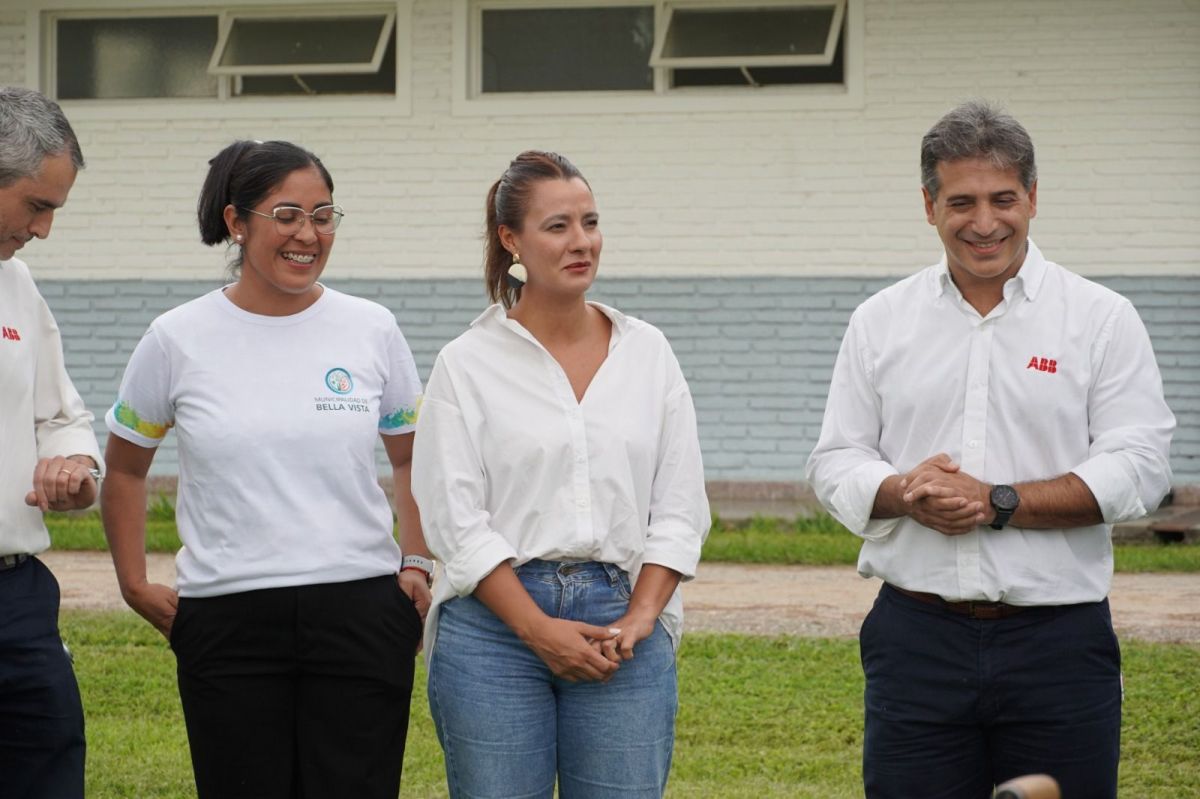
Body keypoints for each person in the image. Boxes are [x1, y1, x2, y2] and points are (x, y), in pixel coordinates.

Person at [806, 100, 1176, 799]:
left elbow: (1140, 467)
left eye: (1003, 198)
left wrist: (998, 501)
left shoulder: (1100, 319)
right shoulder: (880, 322)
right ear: (928, 205)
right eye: (962, 201)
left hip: (1058, 644)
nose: (983, 222)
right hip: (916, 640)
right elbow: (835, 461)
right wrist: (903, 492)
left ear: (1033, 198)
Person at [101, 139, 432, 799]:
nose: (308, 234)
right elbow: (126, 470)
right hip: (228, 617)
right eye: (286, 215)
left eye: (324, 215)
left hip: (361, 612)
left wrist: (417, 561)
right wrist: (134, 582)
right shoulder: (176, 337)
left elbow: (411, 454)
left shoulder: (371, 328)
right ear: (236, 222)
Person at [411, 150, 710, 798]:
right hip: (493, 630)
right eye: (557, 226)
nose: (582, 242)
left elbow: (680, 507)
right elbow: (455, 521)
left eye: (590, 221)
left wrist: (639, 618)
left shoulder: (648, 353)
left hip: (621, 627)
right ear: (511, 239)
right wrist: (537, 628)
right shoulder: (465, 364)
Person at [0, 85, 100, 799]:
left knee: (48, 760)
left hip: (16, 596)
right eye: (37, 205)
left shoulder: (18, 284)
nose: (43, 230)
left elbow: (61, 413)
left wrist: (75, 464)